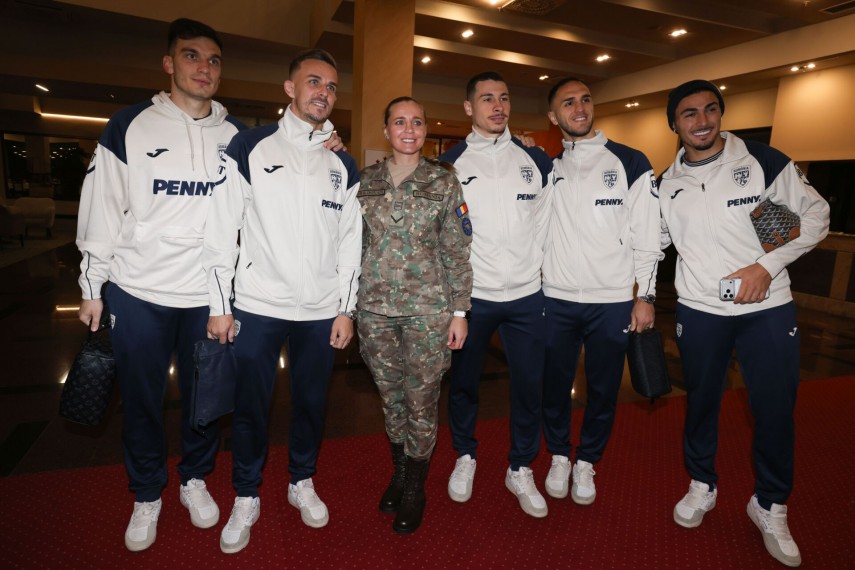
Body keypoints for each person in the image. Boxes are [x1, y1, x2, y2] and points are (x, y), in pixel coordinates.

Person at [76, 18, 245, 552]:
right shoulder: (129, 126)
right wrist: (91, 285)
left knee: (205, 400)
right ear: (169, 64)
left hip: (206, 299)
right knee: (144, 401)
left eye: (214, 60)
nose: (204, 68)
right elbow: (102, 209)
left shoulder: (235, 136)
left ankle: (194, 479)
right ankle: (147, 492)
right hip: (138, 291)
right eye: (192, 56)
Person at [659, 79, 829, 568]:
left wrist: (765, 267)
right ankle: (701, 484)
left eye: (710, 110)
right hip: (700, 310)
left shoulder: (758, 163)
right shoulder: (666, 183)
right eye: (689, 113)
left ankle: (770, 504)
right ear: (675, 123)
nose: (702, 121)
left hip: (766, 309)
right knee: (701, 404)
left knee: (774, 409)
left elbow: (814, 218)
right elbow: (649, 241)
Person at [203, 48, 360, 554]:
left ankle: (301, 481)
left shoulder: (342, 162)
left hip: (319, 310)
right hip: (258, 303)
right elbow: (222, 229)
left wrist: (345, 307)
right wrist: (219, 303)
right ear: (289, 88)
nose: (324, 93)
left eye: (332, 87)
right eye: (314, 82)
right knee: (251, 406)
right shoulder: (249, 146)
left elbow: (349, 242)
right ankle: (246, 493)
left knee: (312, 404)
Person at [541, 77, 663, 505]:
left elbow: (649, 237)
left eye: (586, 100)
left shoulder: (629, 161)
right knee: (553, 386)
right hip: (555, 298)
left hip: (611, 301)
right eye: (568, 103)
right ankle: (558, 454)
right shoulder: (547, 167)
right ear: (554, 116)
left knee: (604, 388)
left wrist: (645, 296)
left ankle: (587, 460)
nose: (580, 108)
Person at [440, 71, 554, 518]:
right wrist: (455, 303)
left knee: (530, 386)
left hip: (528, 294)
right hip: (474, 297)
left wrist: (541, 275)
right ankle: (465, 455)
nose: (497, 106)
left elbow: (544, 223)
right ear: (469, 108)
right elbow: (444, 237)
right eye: (486, 99)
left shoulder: (535, 160)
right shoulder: (450, 163)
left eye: (504, 98)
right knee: (464, 385)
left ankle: (520, 467)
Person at [357, 96, 473, 534]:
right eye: (400, 122)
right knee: (392, 401)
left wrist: (460, 311)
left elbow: (457, 251)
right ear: (386, 130)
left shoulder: (443, 183)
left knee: (422, 403)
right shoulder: (363, 181)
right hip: (374, 311)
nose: (409, 129)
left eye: (418, 123)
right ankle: (401, 472)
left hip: (429, 312)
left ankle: (415, 488)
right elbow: (352, 248)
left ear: (426, 131)